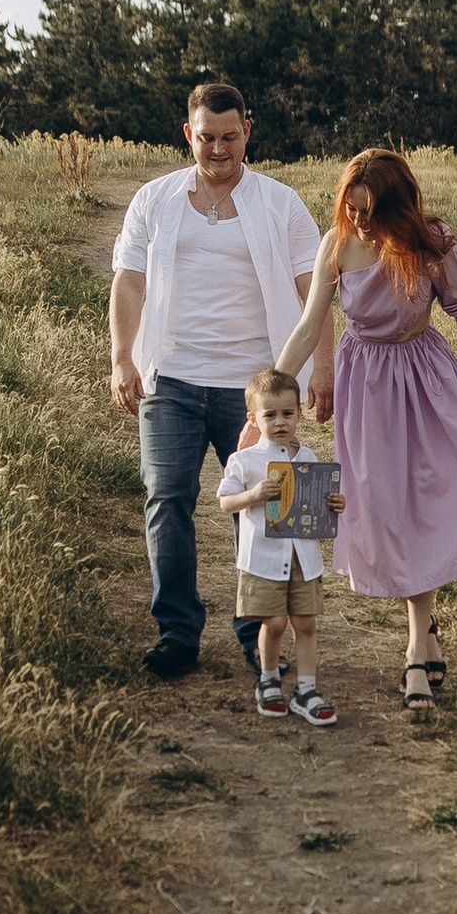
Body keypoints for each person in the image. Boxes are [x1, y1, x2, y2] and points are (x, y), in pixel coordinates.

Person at [108, 81, 322, 682]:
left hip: (256, 392)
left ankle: (262, 636)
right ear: (189, 134)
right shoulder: (154, 199)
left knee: (262, 510)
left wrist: (320, 368)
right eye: (207, 138)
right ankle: (177, 632)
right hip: (171, 380)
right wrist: (123, 356)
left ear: (247, 132)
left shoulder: (280, 203)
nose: (219, 149)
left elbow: (315, 293)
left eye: (230, 137)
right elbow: (129, 282)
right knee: (166, 498)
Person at [276, 147, 457, 714]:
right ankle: (425, 632)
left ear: (396, 207)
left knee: (422, 507)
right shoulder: (337, 245)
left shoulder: (430, 242)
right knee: (380, 509)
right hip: (366, 388)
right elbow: (308, 329)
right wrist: (269, 397)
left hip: (425, 382)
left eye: (369, 211)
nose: (358, 221)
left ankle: (413, 652)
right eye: (350, 208)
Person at [214, 363, 343, 726]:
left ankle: (306, 689)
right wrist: (253, 495)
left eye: (288, 413)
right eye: (270, 414)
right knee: (273, 623)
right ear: (253, 418)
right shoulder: (244, 461)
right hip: (264, 558)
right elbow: (225, 501)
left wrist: (334, 504)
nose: (280, 421)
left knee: (306, 623)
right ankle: (268, 681)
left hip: (303, 557)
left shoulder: (308, 460)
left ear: (299, 413)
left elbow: (318, 506)